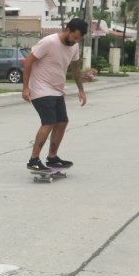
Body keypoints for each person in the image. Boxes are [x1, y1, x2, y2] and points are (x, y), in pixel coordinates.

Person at [21, 18, 88, 172]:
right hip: (40, 88)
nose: (75, 41)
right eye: (74, 37)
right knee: (49, 122)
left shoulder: (74, 47)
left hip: (57, 89)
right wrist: (25, 88)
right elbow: (29, 61)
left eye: (79, 39)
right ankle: (33, 160)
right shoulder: (49, 42)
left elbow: (75, 69)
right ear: (68, 29)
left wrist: (81, 90)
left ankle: (52, 157)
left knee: (62, 122)